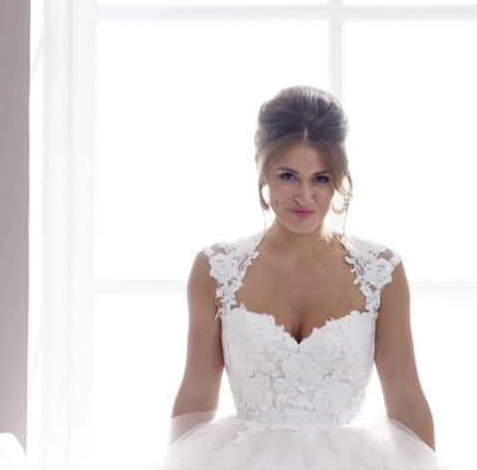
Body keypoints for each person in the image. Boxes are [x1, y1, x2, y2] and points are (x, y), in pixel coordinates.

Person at [164, 86, 447, 469]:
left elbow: (407, 403)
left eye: (321, 179)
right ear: (263, 170)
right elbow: (196, 398)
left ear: (339, 177)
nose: (304, 196)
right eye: (288, 176)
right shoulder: (217, 269)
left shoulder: (381, 272)